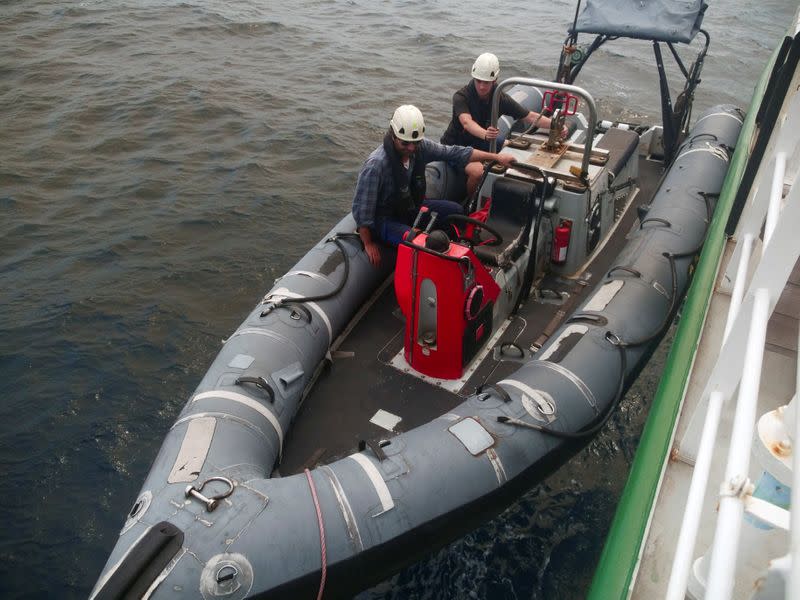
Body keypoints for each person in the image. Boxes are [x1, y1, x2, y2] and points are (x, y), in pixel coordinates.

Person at [352, 104, 516, 266]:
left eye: (415, 143)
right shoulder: (376, 165)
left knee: (456, 211)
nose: (411, 148)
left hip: (409, 207)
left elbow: (455, 152)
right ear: (393, 136)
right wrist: (368, 243)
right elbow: (363, 210)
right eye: (405, 143)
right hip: (384, 219)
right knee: (416, 240)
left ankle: (461, 249)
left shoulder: (420, 148)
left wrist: (496, 158)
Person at [441, 52, 566, 196]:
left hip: (479, 141)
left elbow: (529, 116)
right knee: (477, 172)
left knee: (509, 145)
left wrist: (556, 125)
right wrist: (486, 134)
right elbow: (467, 123)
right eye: (478, 81)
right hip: (456, 146)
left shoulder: (500, 98)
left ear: (495, 80)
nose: (481, 87)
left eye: (486, 82)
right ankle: (471, 204)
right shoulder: (461, 96)